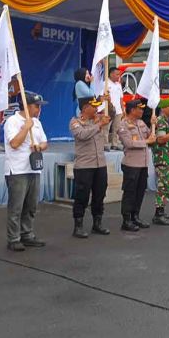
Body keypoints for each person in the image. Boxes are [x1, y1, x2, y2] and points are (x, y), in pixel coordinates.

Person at [4, 92, 49, 251]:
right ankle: (13, 238)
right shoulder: (12, 121)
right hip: (17, 169)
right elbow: (14, 143)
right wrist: (25, 128)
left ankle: (27, 234)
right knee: (16, 206)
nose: (39, 109)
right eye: (37, 106)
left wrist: (39, 147)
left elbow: (44, 142)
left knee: (31, 205)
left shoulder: (37, 122)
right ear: (27, 106)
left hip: (34, 168)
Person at [70, 97, 112, 238]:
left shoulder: (99, 118)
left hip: (100, 164)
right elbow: (82, 135)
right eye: (93, 106)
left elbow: (110, 112)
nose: (96, 109)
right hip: (84, 165)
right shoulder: (76, 122)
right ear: (85, 107)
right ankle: (78, 225)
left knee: (100, 194)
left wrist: (108, 101)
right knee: (82, 196)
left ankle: (97, 223)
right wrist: (98, 125)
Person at [117, 99, 156, 231]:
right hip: (131, 164)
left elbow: (151, 137)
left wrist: (152, 126)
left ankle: (135, 216)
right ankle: (126, 219)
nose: (142, 111)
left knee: (140, 192)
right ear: (132, 110)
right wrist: (146, 141)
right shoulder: (124, 125)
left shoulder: (141, 123)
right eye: (139, 109)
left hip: (143, 164)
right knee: (130, 192)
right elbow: (129, 143)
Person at [105, 67, 123, 151]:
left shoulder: (119, 85)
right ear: (111, 74)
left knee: (117, 128)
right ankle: (105, 144)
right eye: (117, 74)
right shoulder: (105, 84)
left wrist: (123, 109)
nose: (118, 76)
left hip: (118, 110)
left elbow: (121, 98)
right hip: (108, 109)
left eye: (119, 74)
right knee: (106, 127)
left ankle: (115, 144)